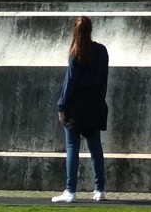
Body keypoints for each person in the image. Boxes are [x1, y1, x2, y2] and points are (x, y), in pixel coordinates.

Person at [54, 16, 109, 203]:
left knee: (72, 148)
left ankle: (70, 191)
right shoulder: (101, 51)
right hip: (94, 104)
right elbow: (104, 80)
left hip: (76, 107)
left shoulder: (76, 52)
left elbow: (69, 82)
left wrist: (61, 106)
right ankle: (99, 189)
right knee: (95, 148)